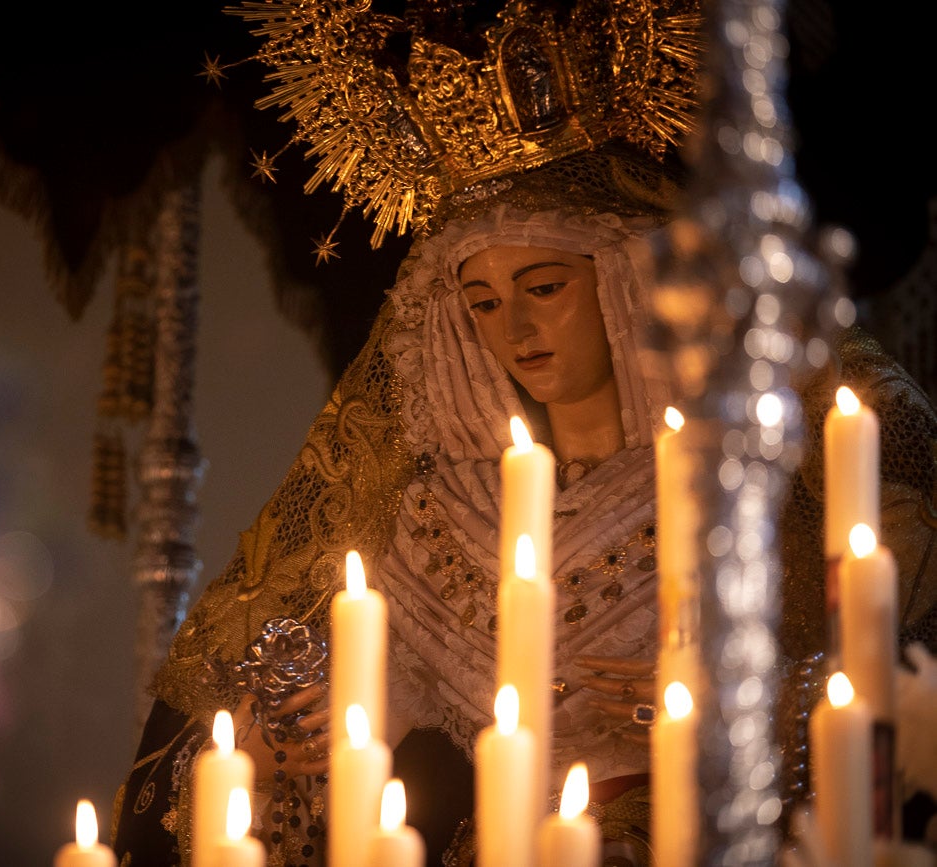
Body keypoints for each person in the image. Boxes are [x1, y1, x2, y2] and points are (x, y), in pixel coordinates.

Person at [109, 1, 937, 864]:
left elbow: (889, 683)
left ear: (622, 283)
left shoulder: (737, 488)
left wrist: (759, 707)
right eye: (484, 303)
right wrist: (285, 741)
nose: (515, 329)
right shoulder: (440, 517)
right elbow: (341, 726)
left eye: (545, 288)